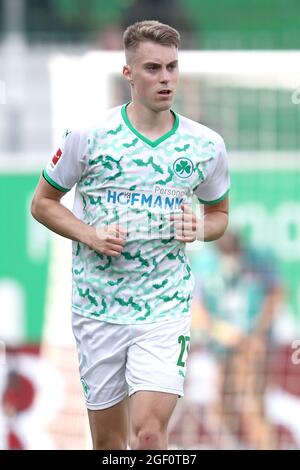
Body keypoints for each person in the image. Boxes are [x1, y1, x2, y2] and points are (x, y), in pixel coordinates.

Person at [31, 20, 230, 450]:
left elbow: (219, 215)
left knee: (149, 434)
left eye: (172, 68)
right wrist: (90, 235)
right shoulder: (88, 137)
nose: (165, 79)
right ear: (128, 74)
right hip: (97, 307)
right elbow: (42, 203)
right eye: (153, 68)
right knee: (109, 445)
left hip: (164, 308)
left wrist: (201, 227)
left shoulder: (206, 145)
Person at [191, 231, 283, 449]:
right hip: (221, 348)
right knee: (222, 408)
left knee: (252, 408)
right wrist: (217, 330)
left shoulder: (258, 259)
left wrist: (258, 333)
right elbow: (195, 310)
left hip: (252, 346)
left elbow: (276, 293)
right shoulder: (206, 264)